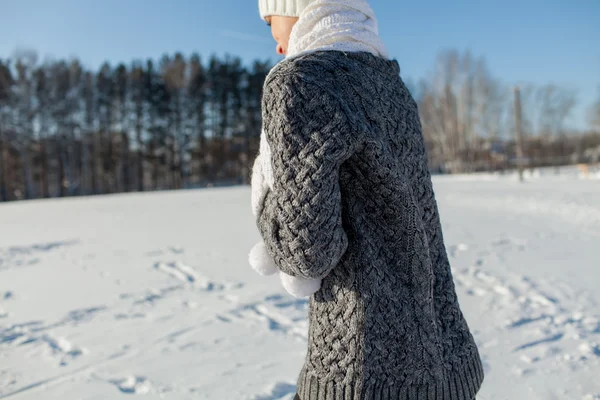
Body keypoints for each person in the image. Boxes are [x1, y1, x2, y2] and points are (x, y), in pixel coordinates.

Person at [250, 1, 484, 399]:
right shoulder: (389, 83)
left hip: (363, 368)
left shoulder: (299, 83)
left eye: (274, 29)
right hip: (442, 352)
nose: (276, 47)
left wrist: (265, 201)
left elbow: (306, 254)